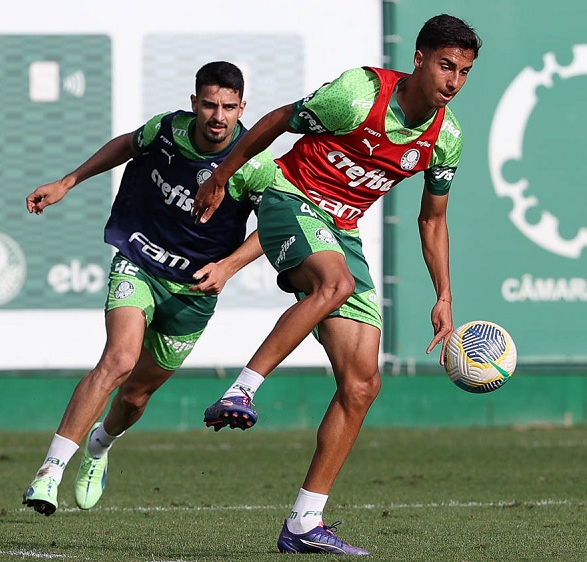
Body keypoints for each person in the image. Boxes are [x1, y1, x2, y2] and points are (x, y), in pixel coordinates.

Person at [192, 14, 482, 556]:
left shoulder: (447, 137)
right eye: (446, 66)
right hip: (287, 196)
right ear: (418, 59)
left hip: (340, 228)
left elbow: (433, 220)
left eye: (464, 72)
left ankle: (304, 522)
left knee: (363, 382)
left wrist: (443, 294)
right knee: (337, 284)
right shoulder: (359, 94)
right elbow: (279, 119)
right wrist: (223, 175)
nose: (453, 81)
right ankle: (241, 390)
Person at [21, 61, 275, 516]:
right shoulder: (167, 130)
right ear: (195, 103)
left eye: (230, 107)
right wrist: (67, 182)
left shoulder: (253, 162)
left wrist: (229, 267)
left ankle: (99, 446)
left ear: (242, 108)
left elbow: (274, 225)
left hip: (194, 292)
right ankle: (49, 473)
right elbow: (125, 145)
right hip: (139, 261)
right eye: (211, 105)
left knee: (135, 395)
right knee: (118, 359)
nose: (219, 116)